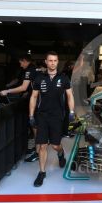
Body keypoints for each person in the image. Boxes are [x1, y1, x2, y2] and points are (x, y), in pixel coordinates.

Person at [29, 51, 75, 187]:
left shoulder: (64, 78)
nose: (53, 63)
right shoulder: (39, 78)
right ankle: (42, 173)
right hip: (42, 115)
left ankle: (61, 154)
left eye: (55, 60)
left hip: (57, 116)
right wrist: (31, 115)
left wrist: (72, 112)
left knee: (55, 145)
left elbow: (70, 96)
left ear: (57, 62)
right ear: (46, 62)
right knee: (42, 145)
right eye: (50, 60)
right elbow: (34, 97)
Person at [0, 55, 39, 162]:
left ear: (25, 61)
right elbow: (31, 87)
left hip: (36, 102)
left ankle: (38, 152)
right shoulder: (33, 69)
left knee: (35, 127)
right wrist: (27, 93)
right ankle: (36, 148)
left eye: (21, 62)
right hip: (37, 100)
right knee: (34, 127)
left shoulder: (29, 70)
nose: (20, 65)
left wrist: (7, 91)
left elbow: (23, 87)